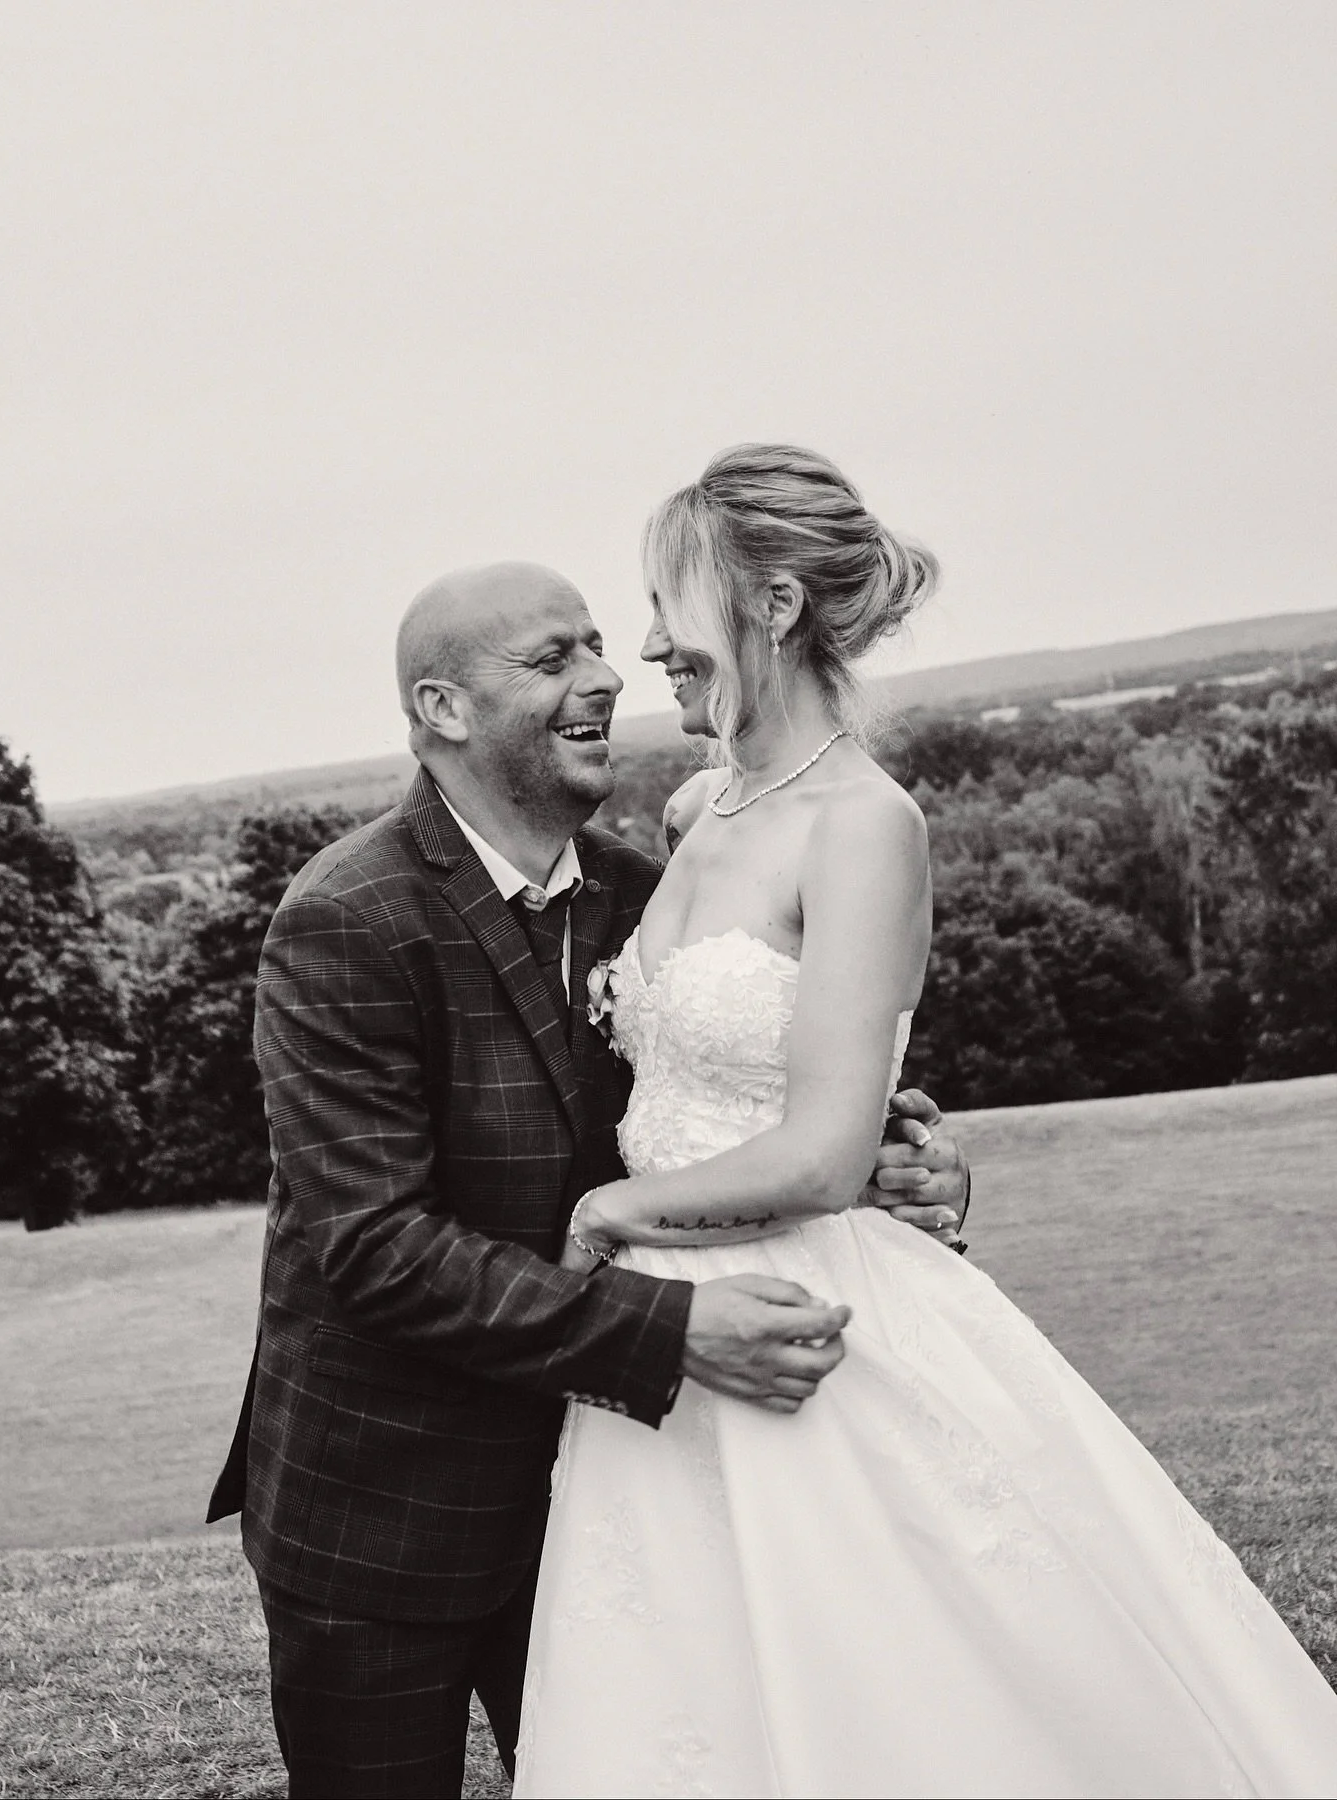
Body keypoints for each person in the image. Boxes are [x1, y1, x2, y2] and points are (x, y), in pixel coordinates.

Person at [513, 444, 1337, 1799]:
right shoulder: (698, 807)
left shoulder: (866, 823)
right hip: (668, 1346)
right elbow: (710, 1059)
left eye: (672, 606)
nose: (653, 645)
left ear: (771, 608)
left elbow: (827, 1154)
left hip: (803, 1319)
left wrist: (611, 1212)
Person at [206, 559, 970, 1799]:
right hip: (385, 1509)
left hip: (615, 1497)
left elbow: (715, 1108)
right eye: (553, 658)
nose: (607, 678)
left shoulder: (639, 890)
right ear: (445, 709)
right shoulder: (347, 916)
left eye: (602, 647)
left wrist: (888, 1153)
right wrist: (670, 1329)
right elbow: (373, 1248)